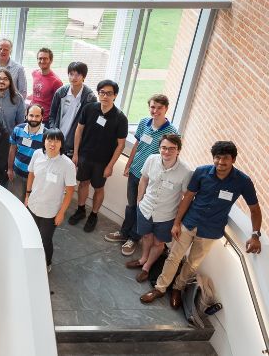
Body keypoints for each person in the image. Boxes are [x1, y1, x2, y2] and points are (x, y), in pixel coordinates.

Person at [140, 141, 262, 309]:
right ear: (213, 158)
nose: (220, 162)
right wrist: (177, 223)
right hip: (189, 223)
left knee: (192, 263)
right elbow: (188, 197)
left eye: (225, 158)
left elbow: (255, 209)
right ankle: (160, 288)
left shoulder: (243, 181)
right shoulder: (201, 172)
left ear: (233, 159)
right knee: (173, 257)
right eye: (217, 157)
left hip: (211, 230)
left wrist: (255, 235)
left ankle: (177, 288)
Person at [106, 94, 179, 256]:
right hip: (135, 171)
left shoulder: (172, 132)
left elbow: (171, 155)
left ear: (166, 109)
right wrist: (129, 164)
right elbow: (137, 145)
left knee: (142, 209)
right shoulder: (143, 122)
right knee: (131, 205)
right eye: (153, 107)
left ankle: (133, 238)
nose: (155, 111)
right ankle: (124, 233)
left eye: (159, 108)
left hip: (151, 178)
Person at [124, 135, 192, 283]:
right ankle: (143, 259)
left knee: (158, 243)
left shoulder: (186, 171)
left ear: (178, 150)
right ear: (159, 148)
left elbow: (186, 197)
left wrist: (177, 221)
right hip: (145, 209)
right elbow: (144, 179)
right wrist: (139, 200)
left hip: (167, 215)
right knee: (146, 236)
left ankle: (147, 267)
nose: (167, 152)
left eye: (172, 149)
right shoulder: (151, 159)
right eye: (164, 148)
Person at [67, 80, 128, 233]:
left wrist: (110, 166)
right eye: (102, 92)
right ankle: (81, 210)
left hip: (103, 162)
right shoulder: (89, 109)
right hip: (85, 156)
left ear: (115, 95)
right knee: (83, 183)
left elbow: (121, 145)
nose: (105, 96)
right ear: (98, 93)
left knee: (99, 188)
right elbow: (79, 130)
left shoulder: (120, 118)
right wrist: (76, 153)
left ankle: (93, 215)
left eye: (109, 93)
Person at [24, 129, 77, 273]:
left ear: (61, 144)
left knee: (45, 239)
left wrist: (61, 213)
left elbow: (70, 191)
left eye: (57, 141)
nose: (52, 144)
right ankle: (31, 258)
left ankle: (47, 262)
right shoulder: (37, 154)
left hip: (51, 211)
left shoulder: (67, 165)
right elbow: (31, 174)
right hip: (33, 205)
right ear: (44, 141)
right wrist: (27, 195)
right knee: (31, 234)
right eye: (49, 140)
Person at [48, 62, 97, 158]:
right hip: (56, 138)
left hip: (74, 145)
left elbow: (89, 124)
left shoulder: (90, 98)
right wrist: (53, 131)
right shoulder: (61, 92)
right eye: (71, 74)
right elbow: (52, 115)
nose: (74, 77)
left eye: (78, 74)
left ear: (84, 76)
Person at [7, 104, 46, 201]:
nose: (34, 119)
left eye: (37, 116)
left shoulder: (47, 135)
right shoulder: (18, 129)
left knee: (30, 204)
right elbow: (12, 149)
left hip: (35, 178)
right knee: (14, 201)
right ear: (26, 115)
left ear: (42, 117)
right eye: (31, 115)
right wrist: (10, 169)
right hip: (17, 174)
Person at [29, 48, 63, 125]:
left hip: (44, 119)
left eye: (45, 59)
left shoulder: (56, 82)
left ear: (51, 61)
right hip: (31, 115)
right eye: (40, 58)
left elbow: (58, 104)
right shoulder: (34, 73)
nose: (42, 61)